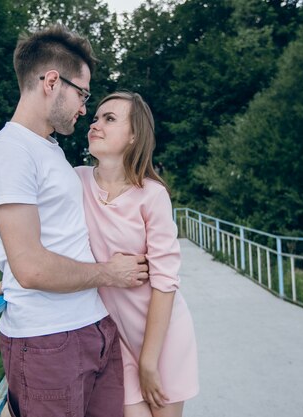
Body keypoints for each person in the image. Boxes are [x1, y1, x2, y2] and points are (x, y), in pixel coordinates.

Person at [0, 26, 149, 417]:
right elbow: (33, 267)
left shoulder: (49, 149)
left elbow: (52, 241)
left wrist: (12, 274)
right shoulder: (9, 153)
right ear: (52, 81)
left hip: (96, 327)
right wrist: (109, 273)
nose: (84, 108)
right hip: (47, 341)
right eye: (83, 94)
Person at [74, 91, 199, 417]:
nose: (95, 124)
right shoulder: (76, 180)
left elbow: (164, 280)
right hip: (116, 340)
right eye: (96, 117)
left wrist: (149, 360)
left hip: (163, 339)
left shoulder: (152, 196)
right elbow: (47, 243)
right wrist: (12, 280)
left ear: (133, 136)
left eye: (109, 119)